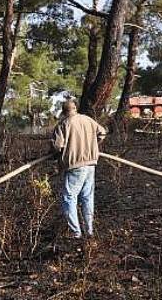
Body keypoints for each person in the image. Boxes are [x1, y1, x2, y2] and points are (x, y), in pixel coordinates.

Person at [51, 100, 107, 239]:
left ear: (64, 112)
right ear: (75, 108)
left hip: (75, 166)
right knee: (87, 197)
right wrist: (93, 145)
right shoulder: (88, 120)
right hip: (91, 165)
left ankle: (75, 233)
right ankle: (89, 231)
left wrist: (55, 154)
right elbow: (102, 133)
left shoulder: (63, 124)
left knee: (68, 197)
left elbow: (57, 147)